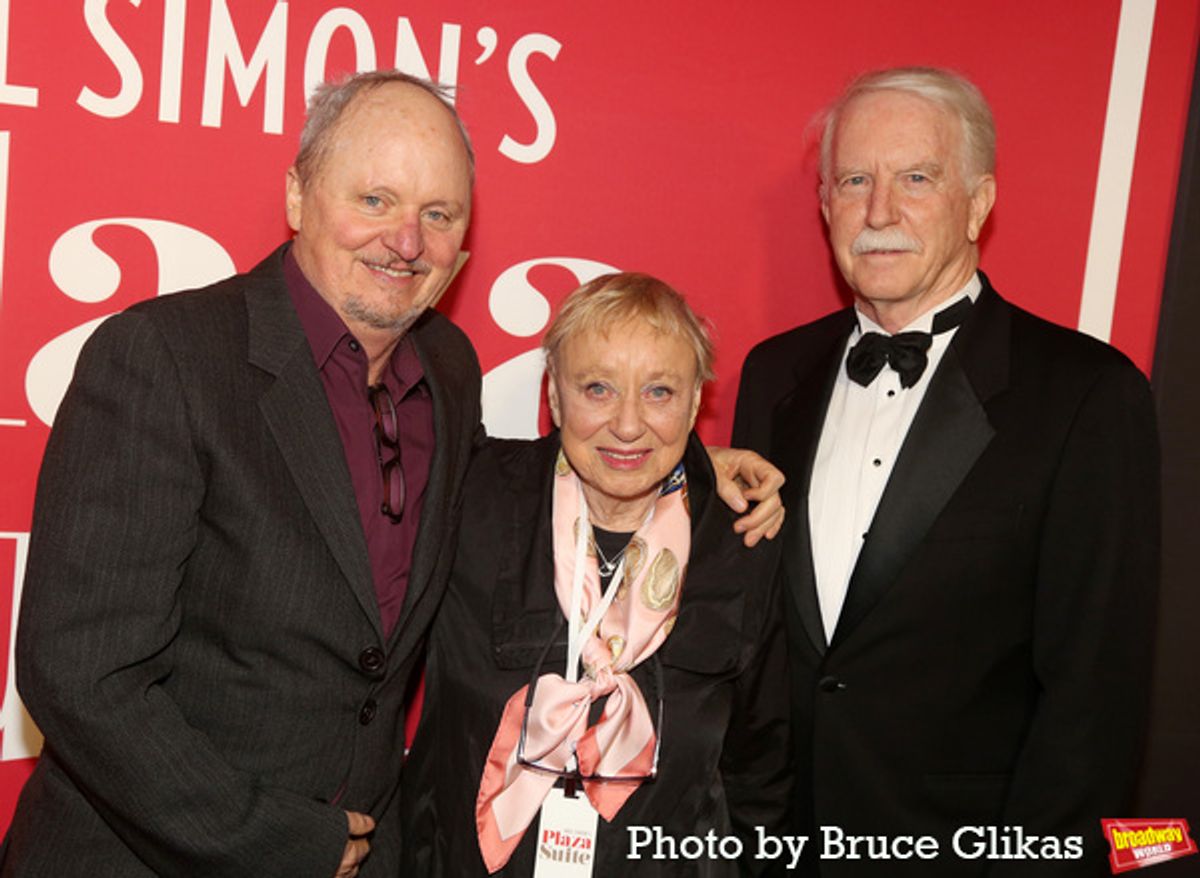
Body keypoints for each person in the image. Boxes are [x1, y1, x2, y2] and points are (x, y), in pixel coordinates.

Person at [3, 71, 783, 877]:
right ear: (298, 196)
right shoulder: (167, 358)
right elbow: (82, 673)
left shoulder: (447, 368)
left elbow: (535, 478)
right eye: (374, 200)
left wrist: (680, 462)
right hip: (152, 858)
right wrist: (276, 840)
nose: (406, 242)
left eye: (437, 214)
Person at [733, 67, 1159, 876]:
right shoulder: (772, 374)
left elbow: (1093, 706)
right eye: (854, 179)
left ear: (979, 202)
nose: (879, 211)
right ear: (824, 204)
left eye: (917, 179)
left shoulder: (1087, 396)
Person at [401, 273, 792, 876]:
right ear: (554, 396)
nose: (629, 425)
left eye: (659, 392)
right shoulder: (469, 499)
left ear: (695, 403)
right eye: (598, 389)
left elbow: (760, 773)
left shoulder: (740, 543)